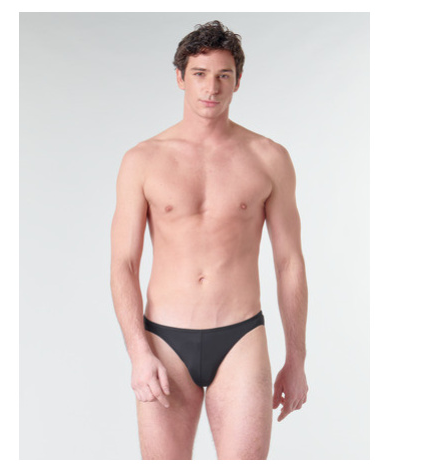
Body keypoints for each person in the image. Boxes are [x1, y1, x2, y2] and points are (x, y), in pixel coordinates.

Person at [110, 20, 308, 460]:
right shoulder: (142, 160)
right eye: (200, 74)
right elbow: (123, 263)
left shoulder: (269, 158)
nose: (211, 87)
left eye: (223, 75)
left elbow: (289, 262)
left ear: (238, 80)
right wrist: (138, 353)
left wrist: (297, 359)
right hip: (164, 340)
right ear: (180, 77)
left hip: (241, 336)